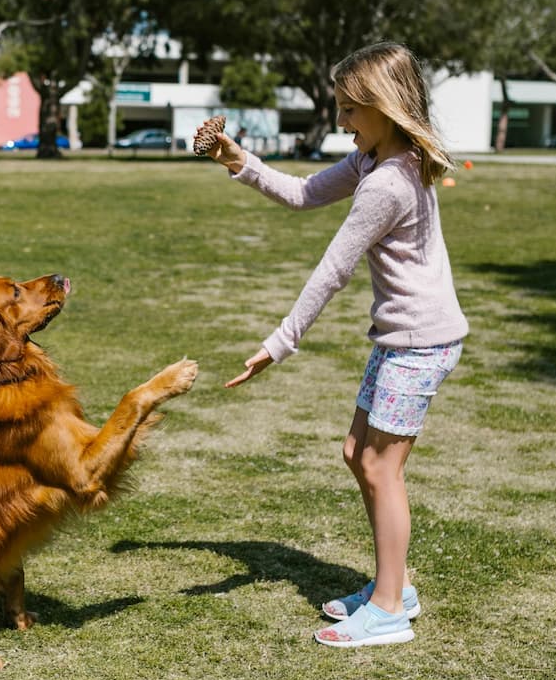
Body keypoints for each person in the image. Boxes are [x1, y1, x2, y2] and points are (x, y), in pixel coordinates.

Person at [200, 42, 468, 647]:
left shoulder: (387, 182)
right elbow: (301, 193)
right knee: (358, 453)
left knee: (380, 466)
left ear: (385, 106)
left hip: (420, 343)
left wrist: (279, 343)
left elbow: (332, 270)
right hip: (403, 338)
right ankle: (392, 584)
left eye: (350, 110)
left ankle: (392, 608)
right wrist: (236, 158)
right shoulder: (375, 160)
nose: (342, 122)